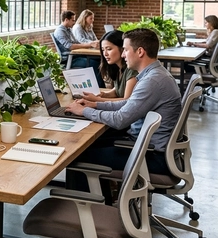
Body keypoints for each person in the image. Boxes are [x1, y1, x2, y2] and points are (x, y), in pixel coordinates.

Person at [65, 28, 182, 205]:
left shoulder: (152, 81)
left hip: (152, 156)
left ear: (140, 51)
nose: (124, 54)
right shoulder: (154, 74)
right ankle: (105, 203)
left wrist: (85, 112)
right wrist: (94, 104)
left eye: (126, 49)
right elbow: (128, 104)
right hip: (151, 148)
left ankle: (89, 215)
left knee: (76, 155)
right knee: (90, 145)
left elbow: (121, 120)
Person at [80, 30, 137, 102]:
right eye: (103, 50)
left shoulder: (131, 70)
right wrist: (103, 94)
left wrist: (96, 100)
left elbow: (126, 100)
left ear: (122, 48)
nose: (105, 54)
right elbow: (118, 90)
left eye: (109, 49)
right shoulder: (117, 68)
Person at [53, 10, 104, 86]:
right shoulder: (60, 31)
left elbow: (77, 42)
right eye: (72, 20)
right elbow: (70, 46)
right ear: (66, 20)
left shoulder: (69, 30)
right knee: (95, 63)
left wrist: (91, 44)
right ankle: (101, 88)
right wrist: (89, 45)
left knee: (100, 59)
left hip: (77, 56)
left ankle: (100, 87)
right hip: (70, 59)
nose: (74, 22)